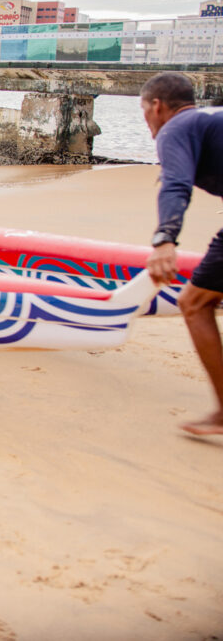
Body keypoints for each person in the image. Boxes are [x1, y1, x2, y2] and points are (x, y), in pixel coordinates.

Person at [140, 72, 223, 436]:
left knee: (194, 302)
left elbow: (175, 183)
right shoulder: (212, 120)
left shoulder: (176, 128)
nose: (147, 122)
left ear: (157, 106)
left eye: (144, 111)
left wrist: (164, 240)